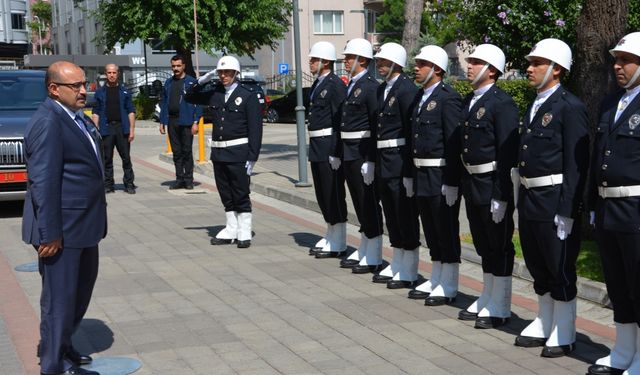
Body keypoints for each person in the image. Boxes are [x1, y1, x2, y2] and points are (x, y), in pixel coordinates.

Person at [22, 61, 105, 375]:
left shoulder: (73, 117)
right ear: (54, 89)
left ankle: (64, 347)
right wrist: (50, 233)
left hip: (83, 226)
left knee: (77, 295)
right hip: (62, 232)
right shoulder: (48, 122)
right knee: (59, 302)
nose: (84, 90)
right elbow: (43, 182)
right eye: (76, 86)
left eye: (84, 84)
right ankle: (53, 366)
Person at [513, 38, 589, 358]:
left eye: (537, 63)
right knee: (536, 262)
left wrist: (568, 209)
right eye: (530, 63)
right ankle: (544, 320)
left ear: (556, 69)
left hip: (554, 197)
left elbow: (577, 165)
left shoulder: (569, 107)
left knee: (559, 265)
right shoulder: (535, 104)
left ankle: (565, 328)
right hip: (530, 194)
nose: (529, 69)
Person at [587, 32, 640, 375]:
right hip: (609, 208)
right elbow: (598, 157)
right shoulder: (611, 103)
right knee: (617, 284)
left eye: (626, 60)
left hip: (637, 209)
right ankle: (623, 351)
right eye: (616, 60)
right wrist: (593, 203)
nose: (618, 66)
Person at [456, 44, 519, 329]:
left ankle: (501, 305)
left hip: (492, 182)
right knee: (483, 244)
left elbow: (507, 153)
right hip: (473, 181)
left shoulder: (501, 103)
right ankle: (488, 296)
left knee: (499, 244)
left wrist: (502, 194)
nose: (469, 66)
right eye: (470, 61)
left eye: (476, 62)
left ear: (491, 70)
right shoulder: (470, 99)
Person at [406, 45, 463, 306]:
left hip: (440, 174)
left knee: (445, 228)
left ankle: (449, 283)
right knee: (430, 227)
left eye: (422, 64)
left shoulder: (448, 99)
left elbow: (453, 143)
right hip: (421, 172)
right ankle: (437, 276)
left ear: (437, 69)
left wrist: (452, 181)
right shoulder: (420, 97)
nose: (416, 68)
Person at [186, 55, 262, 248]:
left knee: (240, 191)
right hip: (219, 153)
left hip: (239, 153)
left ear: (236, 73)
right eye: (220, 72)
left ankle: (244, 230)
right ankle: (231, 227)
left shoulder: (248, 95)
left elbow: (255, 128)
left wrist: (253, 156)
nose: (223, 76)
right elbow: (189, 96)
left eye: (227, 72)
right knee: (225, 192)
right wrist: (204, 78)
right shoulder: (215, 93)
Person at [326, 38, 384, 268]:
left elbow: (374, 125)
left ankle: (374, 253)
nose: (345, 61)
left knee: (368, 202)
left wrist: (371, 159)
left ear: (362, 60)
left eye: (349, 57)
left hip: (362, 153)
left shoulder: (371, 87)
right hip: (349, 151)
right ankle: (365, 245)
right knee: (359, 203)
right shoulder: (352, 85)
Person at [368, 42, 420, 289]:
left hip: (399, 159)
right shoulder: (382, 90)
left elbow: (411, 134)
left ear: (396, 64)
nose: (379, 66)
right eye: (378, 62)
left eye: (383, 62)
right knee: (391, 213)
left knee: (404, 213)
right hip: (384, 160)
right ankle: (397, 261)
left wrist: (409, 170)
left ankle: (409, 268)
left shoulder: (407, 90)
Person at [304, 41, 349, 258]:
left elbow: (339, 120)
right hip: (316, 146)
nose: (310, 62)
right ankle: (331, 233)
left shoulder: (335, 85)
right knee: (322, 193)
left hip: (328, 145)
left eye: (314, 59)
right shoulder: (318, 84)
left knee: (333, 194)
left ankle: (339, 239)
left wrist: (335, 151)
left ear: (326, 61)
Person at [159, 55, 203, 190]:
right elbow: (164, 102)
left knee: (186, 151)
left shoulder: (191, 82)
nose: (176, 68)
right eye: (173, 66)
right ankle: (179, 179)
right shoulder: (168, 83)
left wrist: (196, 122)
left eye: (178, 66)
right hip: (172, 121)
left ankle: (189, 179)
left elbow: (198, 103)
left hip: (187, 121)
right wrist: (162, 121)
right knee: (176, 152)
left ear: (183, 66)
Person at [92, 63, 136, 194]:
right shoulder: (100, 92)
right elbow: (96, 112)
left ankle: (129, 183)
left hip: (122, 128)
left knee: (126, 158)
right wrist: (96, 130)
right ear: (106, 74)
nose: (111, 75)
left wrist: (132, 130)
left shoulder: (124, 91)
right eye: (109, 73)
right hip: (107, 128)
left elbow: (131, 111)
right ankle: (108, 184)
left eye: (114, 73)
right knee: (107, 158)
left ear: (118, 73)